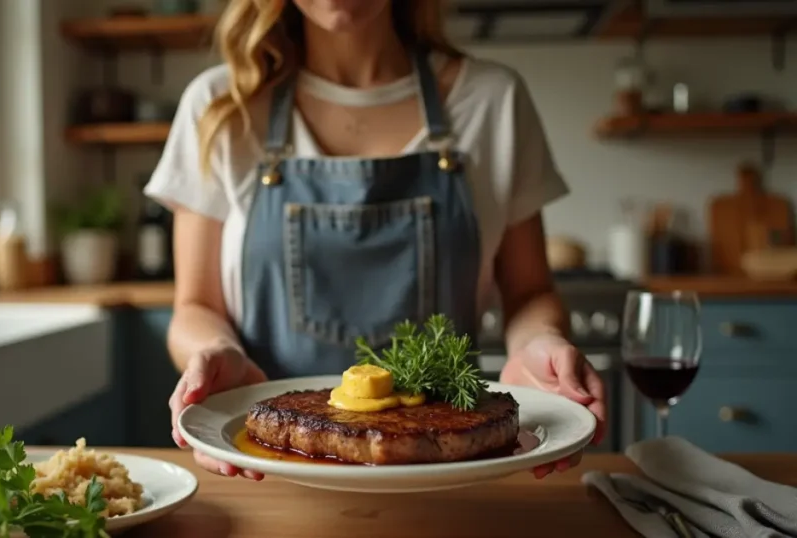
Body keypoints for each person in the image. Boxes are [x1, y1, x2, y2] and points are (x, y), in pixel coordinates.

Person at [144, 0, 606, 481]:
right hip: (267, 474)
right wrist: (218, 353)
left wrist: (541, 343)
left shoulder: (492, 100)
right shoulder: (222, 104)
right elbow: (196, 306)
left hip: (455, 482)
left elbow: (530, 293)